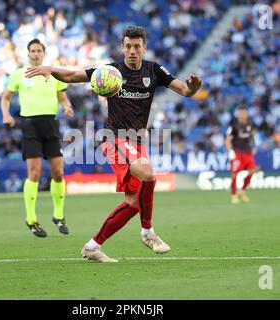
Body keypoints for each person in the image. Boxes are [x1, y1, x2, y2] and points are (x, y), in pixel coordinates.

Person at [25, 26, 202, 262]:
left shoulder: (154, 70)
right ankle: (148, 232)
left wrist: (192, 88)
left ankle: (92, 247)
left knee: (133, 203)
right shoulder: (110, 71)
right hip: (115, 138)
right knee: (149, 175)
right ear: (123, 47)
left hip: (137, 142)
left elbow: (183, 90)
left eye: (136, 46)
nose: (132, 51)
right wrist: (50, 68)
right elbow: (71, 76)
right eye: (128, 46)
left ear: (144, 48)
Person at [0, 39, 74, 238]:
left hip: (50, 125)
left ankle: (59, 216)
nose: (35, 54)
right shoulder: (19, 74)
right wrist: (6, 114)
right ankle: (31, 219)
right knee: (34, 173)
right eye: (32, 51)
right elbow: (5, 97)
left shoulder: (52, 74)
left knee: (58, 172)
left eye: (38, 50)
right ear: (28, 53)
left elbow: (62, 96)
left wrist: (67, 106)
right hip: (30, 126)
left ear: (43, 53)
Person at [225, 105, 257, 204]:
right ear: (238, 114)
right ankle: (233, 195)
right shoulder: (233, 126)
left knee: (252, 171)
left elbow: (252, 135)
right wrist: (230, 151)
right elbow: (228, 140)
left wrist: (254, 146)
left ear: (247, 114)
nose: (243, 115)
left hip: (247, 151)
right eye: (241, 113)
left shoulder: (250, 123)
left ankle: (242, 191)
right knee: (234, 173)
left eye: (244, 113)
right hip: (237, 152)